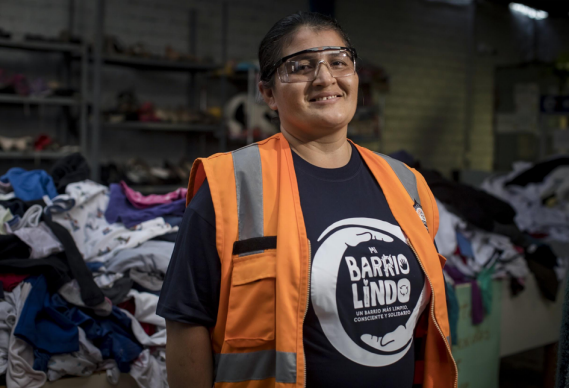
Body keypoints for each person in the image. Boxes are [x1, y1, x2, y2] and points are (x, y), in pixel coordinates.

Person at [157, 11, 457, 388]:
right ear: (267, 93)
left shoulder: (407, 184)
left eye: (338, 61)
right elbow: (187, 320)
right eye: (300, 66)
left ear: (355, 76)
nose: (325, 77)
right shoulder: (230, 186)